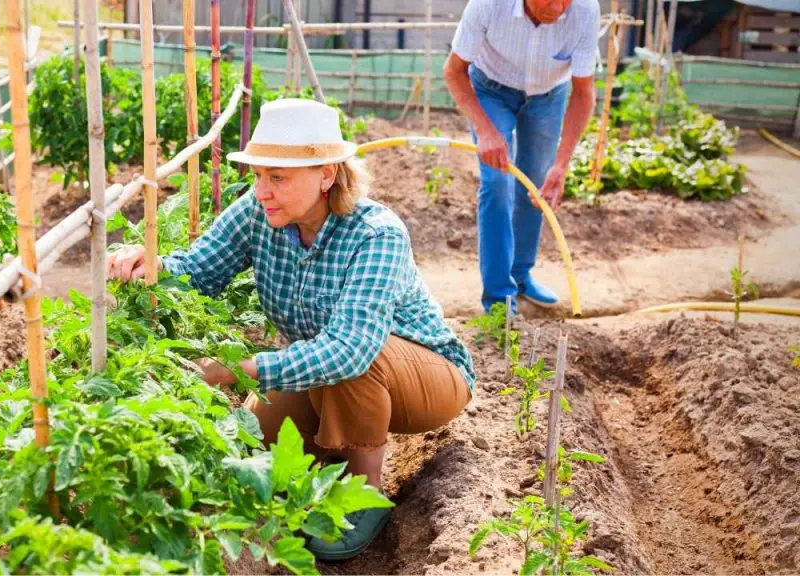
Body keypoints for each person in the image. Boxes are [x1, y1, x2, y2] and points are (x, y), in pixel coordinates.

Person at [107, 98, 476, 561]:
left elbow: (350, 350)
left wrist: (235, 369)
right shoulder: (259, 211)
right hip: (328, 373)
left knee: (354, 355)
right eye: (259, 174)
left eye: (278, 177)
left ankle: (365, 491)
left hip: (425, 379)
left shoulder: (376, 234)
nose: (262, 189)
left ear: (326, 174)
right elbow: (200, 269)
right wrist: (154, 266)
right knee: (254, 453)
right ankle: (331, 457)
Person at [443, 0, 599, 313]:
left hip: (547, 97)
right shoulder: (488, 5)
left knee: (537, 185)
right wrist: (486, 132)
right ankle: (499, 298)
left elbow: (583, 92)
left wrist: (562, 165)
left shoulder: (584, 10)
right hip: (490, 90)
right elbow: (454, 71)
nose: (558, 7)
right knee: (497, 183)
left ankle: (520, 274)